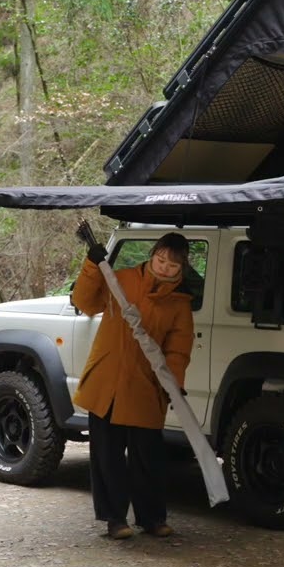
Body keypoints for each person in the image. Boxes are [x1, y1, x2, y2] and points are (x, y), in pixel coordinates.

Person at [70, 230, 195, 540]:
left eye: (172, 265)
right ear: (152, 255)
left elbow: (178, 349)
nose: (165, 267)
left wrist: (173, 384)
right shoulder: (120, 279)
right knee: (108, 457)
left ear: (182, 268)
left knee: (148, 459)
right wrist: (92, 265)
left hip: (145, 387)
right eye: (161, 259)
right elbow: (84, 302)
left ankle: (152, 519)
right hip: (107, 384)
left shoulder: (179, 303)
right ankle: (115, 520)